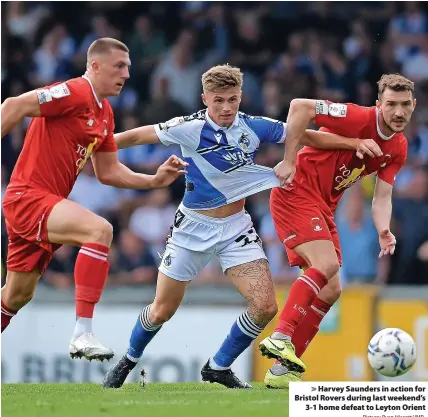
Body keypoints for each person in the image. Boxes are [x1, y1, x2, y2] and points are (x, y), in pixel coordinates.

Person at [102, 64, 382, 389]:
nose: (225, 108)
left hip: (236, 229)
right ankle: (128, 360)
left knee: (265, 306)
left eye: (232, 99)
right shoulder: (188, 127)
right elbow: (137, 135)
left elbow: (301, 133)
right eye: (218, 100)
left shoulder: (253, 126)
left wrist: (352, 143)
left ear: (241, 97)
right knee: (163, 309)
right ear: (204, 98)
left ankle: (218, 366)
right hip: (192, 228)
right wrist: (97, 144)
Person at [1, 37, 187, 361]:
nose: (126, 74)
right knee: (100, 230)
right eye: (119, 66)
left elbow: (109, 172)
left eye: (128, 67)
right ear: (95, 66)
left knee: (16, 296)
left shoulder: (105, 114)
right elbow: (13, 106)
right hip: (28, 198)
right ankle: (82, 333)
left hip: (45, 206)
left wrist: (154, 181)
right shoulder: (74, 92)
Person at [259, 73, 415, 388]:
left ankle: (282, 371)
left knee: (331, 290)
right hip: (297, 191)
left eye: (405, 105)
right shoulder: (358, 117)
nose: (398, 112)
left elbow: (382, 197)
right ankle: (280, 335)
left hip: (323, 205)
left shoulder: (398, 147)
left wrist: (383, 230)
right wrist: (289, 161)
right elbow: (299, 107)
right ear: (378, 104)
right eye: (391, 104)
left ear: (413, 106)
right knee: (325, 265)